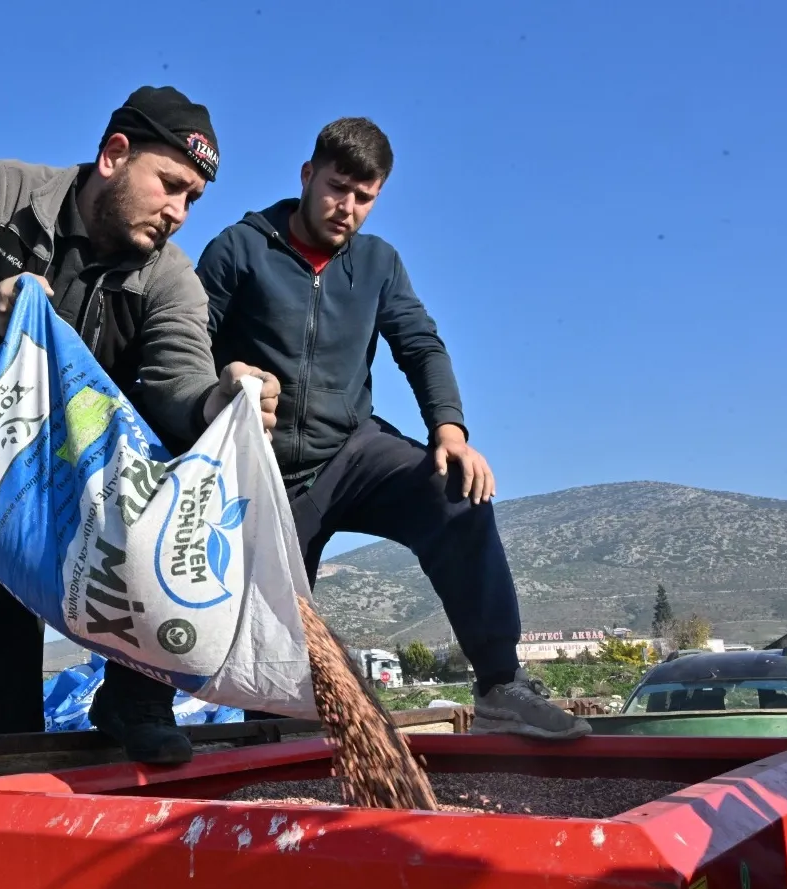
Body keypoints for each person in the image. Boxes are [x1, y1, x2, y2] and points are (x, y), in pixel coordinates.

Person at [0, 86, 280, 763]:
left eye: (193, 199)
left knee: (201, 461)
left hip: (92, 503)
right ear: (114, 155)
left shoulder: (169, 277)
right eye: (170, 185)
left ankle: (137, 694)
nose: (178, 212)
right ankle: (2, 801)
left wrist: (220, 402)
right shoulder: (7, 196)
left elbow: (177, 384)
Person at [195, 117, 589, 739]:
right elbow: (188, 342)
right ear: (307, 175)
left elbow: (420, 345)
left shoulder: (378, 263)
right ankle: (275, 746)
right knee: (274, 647)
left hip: (351, 450)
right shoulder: (239, 249)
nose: (347, 207)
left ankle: (499, 686)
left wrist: (450, 431)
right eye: (337, 188)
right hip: (264, 471)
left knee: (456, 491)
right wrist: (220, 385)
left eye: (365, 196)